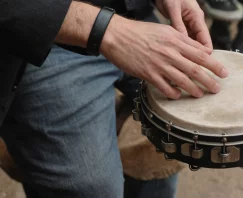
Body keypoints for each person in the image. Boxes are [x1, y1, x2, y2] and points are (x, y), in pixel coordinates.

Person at [0, 0, 229, 197]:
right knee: (92, 188)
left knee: (177, 133)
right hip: (48, 39)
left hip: (138, 18)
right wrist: (108, 30)